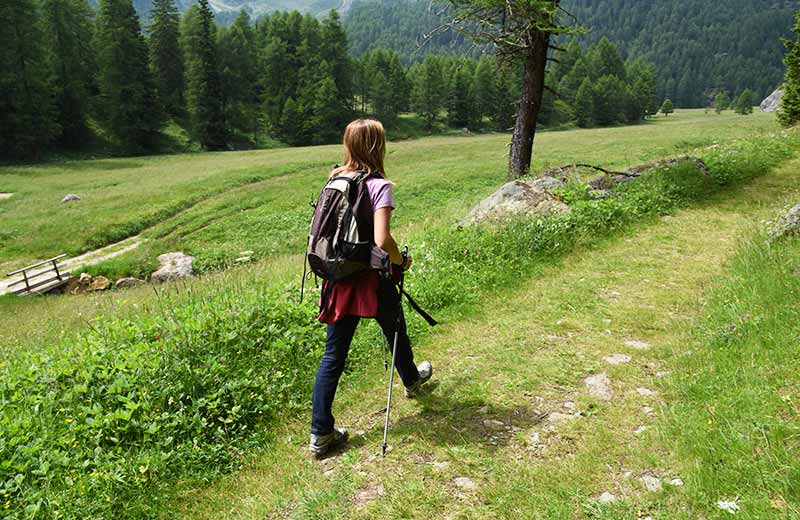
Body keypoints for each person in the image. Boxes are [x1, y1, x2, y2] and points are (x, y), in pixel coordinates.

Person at [309, 119, 433, 457]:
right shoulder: (379, 185)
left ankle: (320, 433)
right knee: (395, 330)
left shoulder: (335, 178)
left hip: (338, 278)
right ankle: (411, 381)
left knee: (333, 354)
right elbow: (382, 239)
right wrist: (400, 260)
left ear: (349, 146)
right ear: (378, 146)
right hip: (371, 279)